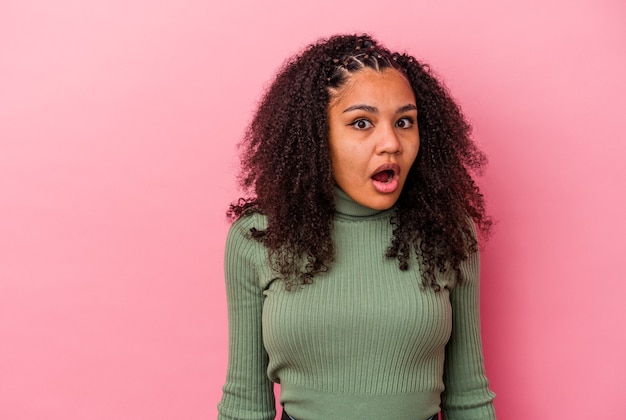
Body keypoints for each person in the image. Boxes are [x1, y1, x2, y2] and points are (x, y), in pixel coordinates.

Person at [217, 33, 496, 420]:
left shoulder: (447, 230)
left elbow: (468, 397)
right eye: (362, 123)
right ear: (316, 136)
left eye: (404, 122)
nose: (391, 143)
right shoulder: (258, 237)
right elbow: (245, 404)